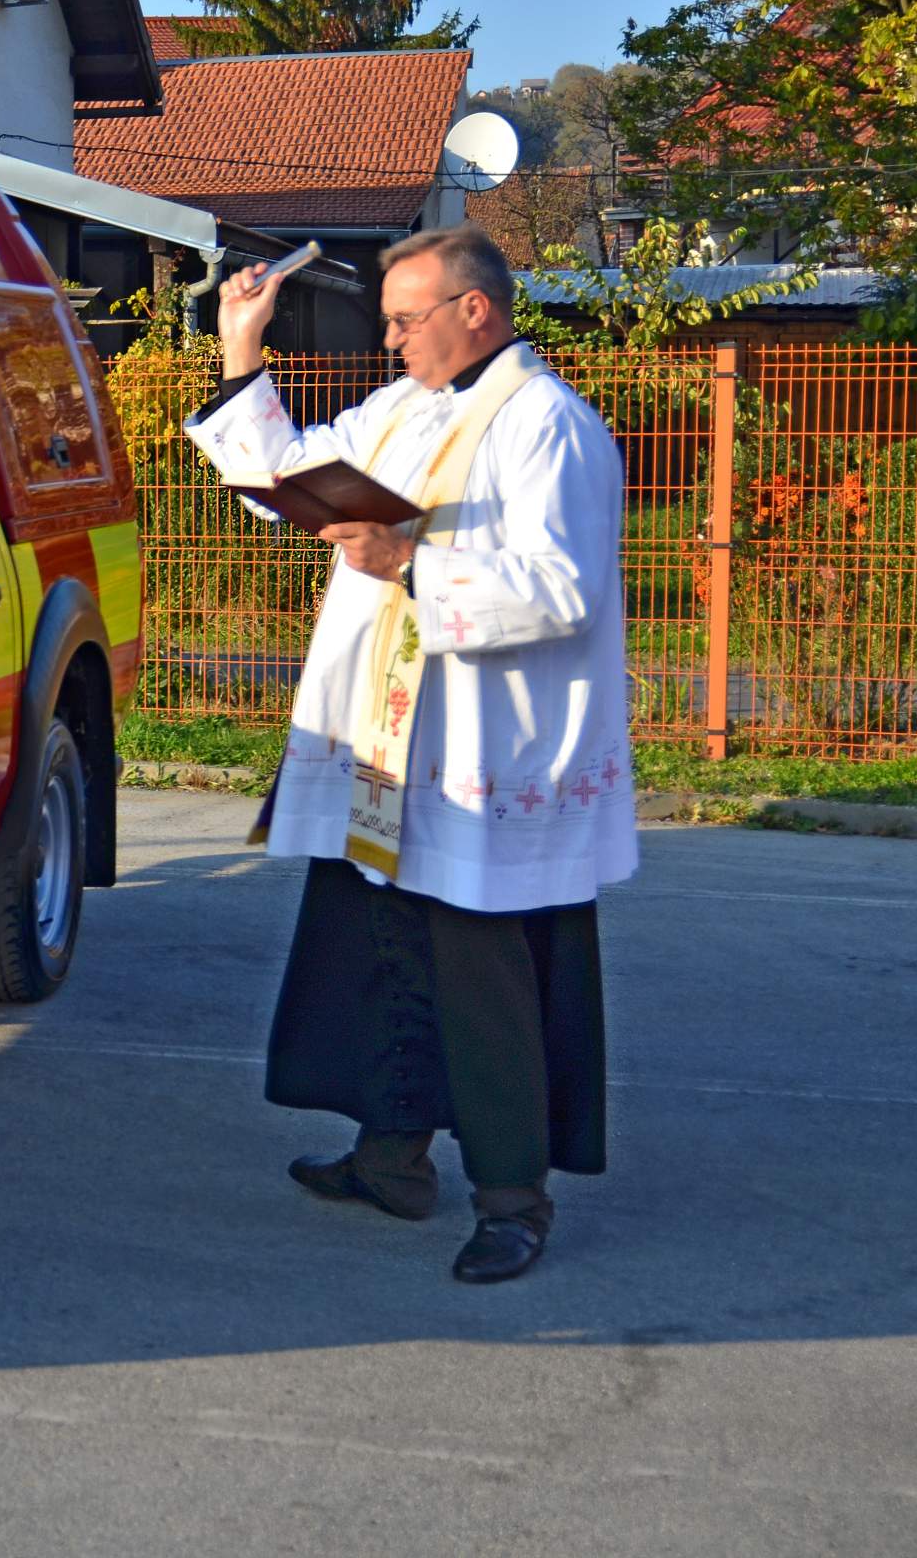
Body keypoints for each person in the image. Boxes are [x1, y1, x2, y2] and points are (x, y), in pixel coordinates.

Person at [183, 223, 637, 1283]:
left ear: (473, 308)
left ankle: (513, 1198)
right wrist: (241, 351)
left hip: (487, 748)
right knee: (382, 937)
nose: (389, 339)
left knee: (482, 975)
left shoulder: (546, 425)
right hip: (388, 735)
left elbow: (561, 589)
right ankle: (392, 1156)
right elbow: (285, 473)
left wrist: (408, 560)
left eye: (403, 318)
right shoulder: (403, 409)